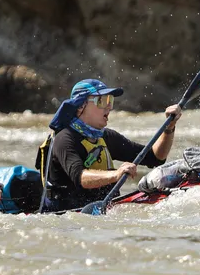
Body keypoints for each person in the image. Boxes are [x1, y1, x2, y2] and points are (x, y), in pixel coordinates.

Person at [35, 79, 182, 211]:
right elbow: (80, 177)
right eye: (102, 101)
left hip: (103, 208)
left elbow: (156, 157)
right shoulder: (64, 139)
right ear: (80, 106)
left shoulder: (107, 137)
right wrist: (116, 174)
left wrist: (169, 128)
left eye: (110, 101)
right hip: (68, 215)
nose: (109, 107)